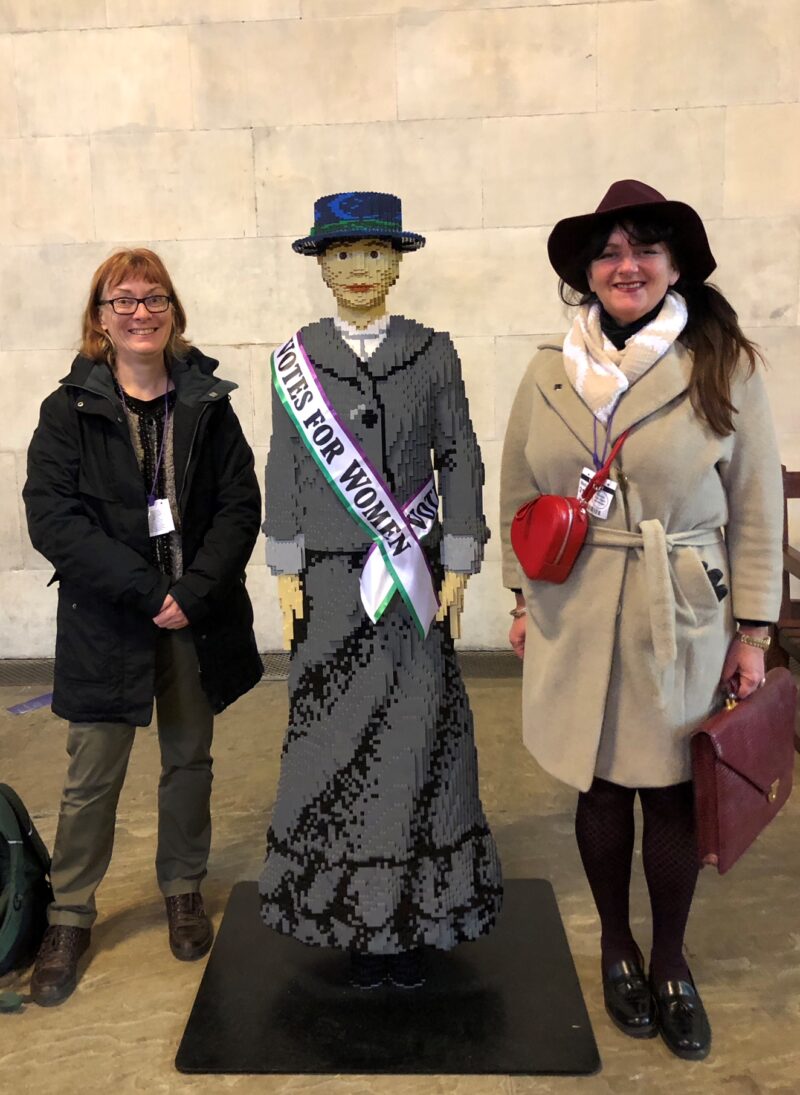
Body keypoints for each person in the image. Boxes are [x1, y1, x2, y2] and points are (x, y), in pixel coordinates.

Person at [500, 180, 782, 1059]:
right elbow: (517, 488)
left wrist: (754, 632)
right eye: (610, 251)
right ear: (587, 271)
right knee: (598, 784)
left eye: (645, 249)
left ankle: (668, 959)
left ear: (675, 265)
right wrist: (518, 596)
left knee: (666, 787)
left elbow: (756, 504)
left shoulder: (723, 363)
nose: (627, 265)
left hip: (681, 610)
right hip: (573, 606)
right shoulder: (549, 368)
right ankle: (614, 945)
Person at [260, 192, 502, 989]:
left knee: (418, 741)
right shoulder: (294, 360)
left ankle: (420, 914)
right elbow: (288, 464)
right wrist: (286, 564)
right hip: (329, 586)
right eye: (341, 254)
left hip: (413, 582)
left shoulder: (434, 353)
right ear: (320, 265)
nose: (358, 269)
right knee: (334, 747)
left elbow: (459, 454)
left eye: (373, 253)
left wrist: (460, 556)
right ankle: (351, 918)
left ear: (397, 262)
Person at [23, 248, 263, 1006]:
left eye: (153, 297)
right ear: (99, 318)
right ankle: (69, 913)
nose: (139, 311)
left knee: (189, 760)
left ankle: (184, 887)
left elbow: (239, 505)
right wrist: (143, 590)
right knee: (92, 774)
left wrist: (191, 590)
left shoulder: (208, 402)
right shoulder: (69, 409)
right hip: (108, 620)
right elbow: (51, 517)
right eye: (120, 299)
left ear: (173, 310)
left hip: (195, 616)